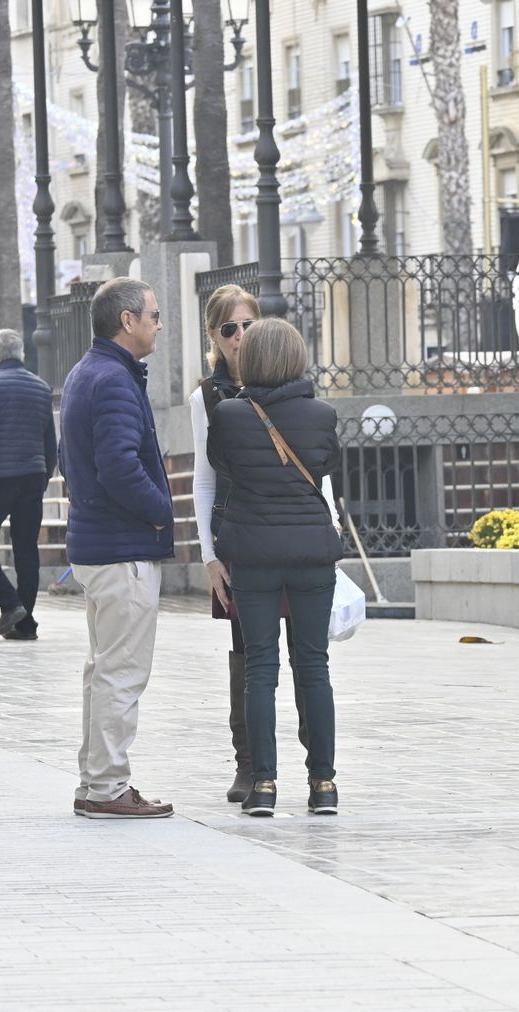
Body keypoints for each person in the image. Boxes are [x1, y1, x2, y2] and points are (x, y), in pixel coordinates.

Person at [191, 284, 330, 803]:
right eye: (229, 329)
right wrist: (208, 555)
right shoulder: (208, 398)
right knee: (250, 656)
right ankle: (251, 764)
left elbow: (318, 473)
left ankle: (313, 763)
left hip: (289, 535)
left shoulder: (297, 392)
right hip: (240, 537)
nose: (240, 337)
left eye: (247, 325)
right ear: (214, 336)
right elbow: (204, 482)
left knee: (303, 657)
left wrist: (330, 524)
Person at [58, 277, 175, 819]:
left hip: (100, 543)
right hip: (121, 548)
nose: (157, 322)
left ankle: (95, 781)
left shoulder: (90, 372)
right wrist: (161, 511)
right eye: (152, 314)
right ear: (126, 321)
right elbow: (120, 465)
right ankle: (106, 786)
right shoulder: (112, 380)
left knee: (104, 670)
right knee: (121, 672)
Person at [0, 329, 56, 641]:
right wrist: (42, 478)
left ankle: (9, 604)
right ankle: (25, 624)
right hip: (32, 477)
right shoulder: (42, 387)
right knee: (26, 550)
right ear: (20, 354)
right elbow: (51, 444)